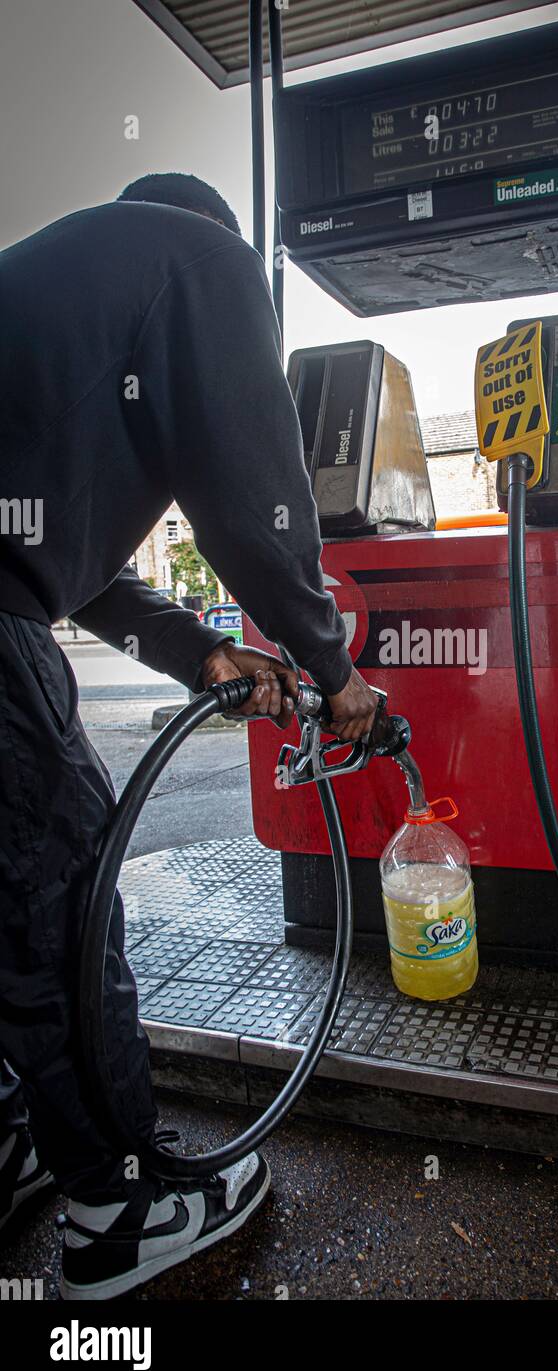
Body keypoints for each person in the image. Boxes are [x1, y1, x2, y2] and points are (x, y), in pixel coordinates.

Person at [0, 173, 379, 1298]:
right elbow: (255, 501)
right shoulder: (202, 261)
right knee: (58, 895)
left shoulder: (66, 286)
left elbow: (77, 566)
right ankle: (121, 1208)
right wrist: (333, 670)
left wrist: (202, 652)